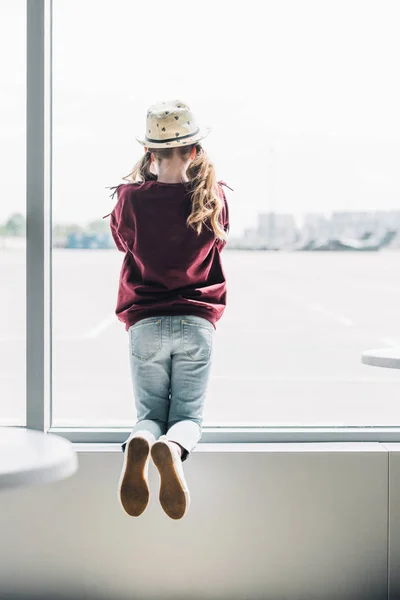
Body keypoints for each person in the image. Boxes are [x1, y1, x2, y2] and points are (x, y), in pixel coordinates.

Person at [104, 99, 232, 520]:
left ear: (149, 153)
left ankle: (143, 440)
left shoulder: (129, 199)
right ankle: (172, 448)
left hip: (145, 323)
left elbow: (124, 243)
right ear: (194, 151)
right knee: (187, 418)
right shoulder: (211, 199)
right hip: (197, 323)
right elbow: (218, 242)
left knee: (149, 415)